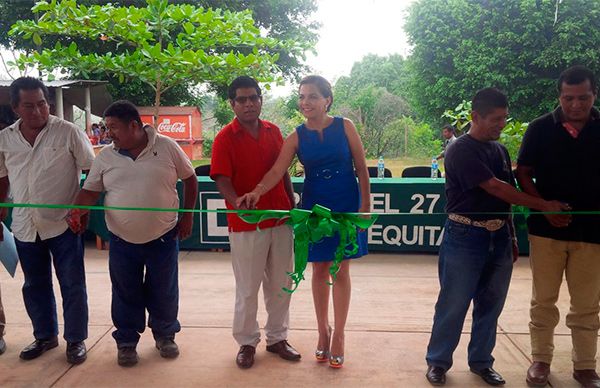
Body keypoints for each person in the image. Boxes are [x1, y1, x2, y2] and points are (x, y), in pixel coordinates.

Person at [424, 88, 567, 386]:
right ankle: (438, 362)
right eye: (496, 119)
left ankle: (481, 362)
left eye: (504, 118)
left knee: (491, 305)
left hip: (499, 236)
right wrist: (544, 205)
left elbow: (506, 201)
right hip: (464, 236)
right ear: (475, 117)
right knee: (453, 303)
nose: (502, 124)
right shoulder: (460, 149)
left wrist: (512, 236)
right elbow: (496, 188)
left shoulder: (499, 150)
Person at [238, 75, 371, 369]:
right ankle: (323, 332)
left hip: (346, 204)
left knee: (341, 268)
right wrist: (257, 192)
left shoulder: (345, 126)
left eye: (312, 96)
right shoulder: (296, 136)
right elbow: (276, 172)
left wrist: (365, 206)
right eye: (301, 96)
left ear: (327, 100)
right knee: (320, 269)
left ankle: (340, 336)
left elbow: (362, 169)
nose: (305, 102)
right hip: (315, 208)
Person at [67, 100, 197, 367]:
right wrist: (76, 211)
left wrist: (187, 216)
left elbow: (191, 178)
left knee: (164, 290)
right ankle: (126, 342)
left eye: (113, 127)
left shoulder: (167, 146)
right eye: (106, 127)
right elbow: (91, 191)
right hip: (122, 241)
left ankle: (165, 335)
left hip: (163, 237)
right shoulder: (105, 156)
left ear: (134, 125)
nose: (108, 133)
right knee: (125, 292)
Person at [0, 77, 95, 364]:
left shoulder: (68, 132)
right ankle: (45, 336)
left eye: (42, 104)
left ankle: (76, 340)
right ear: (15, 107)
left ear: (48, 104)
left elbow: (92, 172)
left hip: (64, 224)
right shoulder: (5, 138)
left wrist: (80, 210)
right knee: (34, 284)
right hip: (25, 226)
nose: (37, 111)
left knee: (72, 284)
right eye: (29, 106)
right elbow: (2, 177)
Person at [516, 65, 600, 388]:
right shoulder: (539, 129)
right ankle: (541, 361)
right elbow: (523, 173)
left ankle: (585, 367)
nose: (576, 105)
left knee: (587, 304)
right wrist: (544, 207)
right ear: (559, 96)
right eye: (568, 98)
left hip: (592, 234)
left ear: (594, 94)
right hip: (546, 231)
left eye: (583, 97)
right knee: (543, 300)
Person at [210, 76, 300, 369]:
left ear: (261, 99)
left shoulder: (275, 132)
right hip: (246, 223)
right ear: (232, 104)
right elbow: (221, 178)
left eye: (253, 98)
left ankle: (277, 338)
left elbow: (282, 172)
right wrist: (235, 200)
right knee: (248, 288)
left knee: (281, 284)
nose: (248, 104)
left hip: (281, 219)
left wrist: (291, 205)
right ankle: (247, 342)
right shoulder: (225, 137)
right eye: (242, 99)